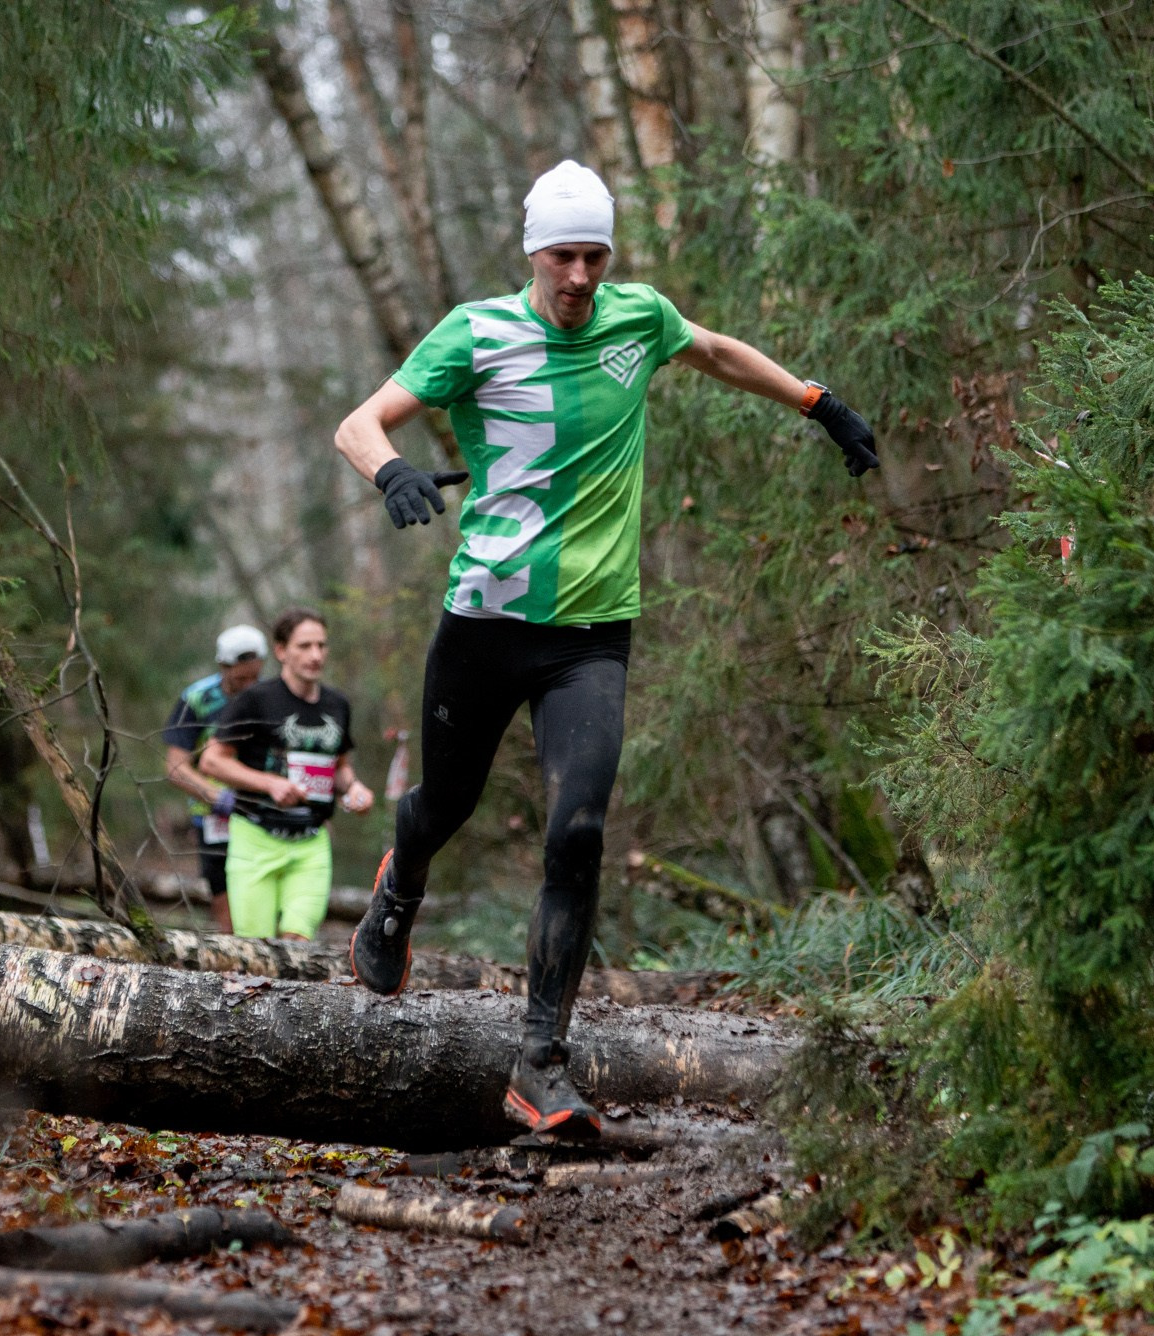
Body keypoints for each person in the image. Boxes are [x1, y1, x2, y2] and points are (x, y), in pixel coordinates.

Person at [333, 159, 881, 1139]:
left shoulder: (639, 318)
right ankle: (397, 887)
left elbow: (712, 351)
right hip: (484, 623)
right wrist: (389, 475)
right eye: (562, 256)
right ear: (532, 252)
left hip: (590, 635)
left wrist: (817, 403)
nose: (579, 275)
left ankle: (538, 1060)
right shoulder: (475, 333)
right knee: (442, 806)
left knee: (576, 831)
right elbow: (358, 423)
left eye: (594, 255)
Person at [198, 607, 375, 939]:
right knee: (257, 952)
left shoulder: (338, 704)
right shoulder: (256, 700)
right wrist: (270, 784)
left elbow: (340, 767)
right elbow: (211, 762)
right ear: (281, 651)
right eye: (304, 646)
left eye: (321, 646)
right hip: (255, 837)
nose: (315, 655)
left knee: (297, 944)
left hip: (311, 842)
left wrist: (355, 789)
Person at [161, 624, 267, 933]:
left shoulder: (270, 696)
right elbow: (175, 766)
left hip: (261, 808)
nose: (249, 686)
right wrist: (215, 795)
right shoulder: (197, 699)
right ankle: (234, 959)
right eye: (240, 678)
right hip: (213, 814)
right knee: (222, 889)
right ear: (224, 667)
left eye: (254, 677)